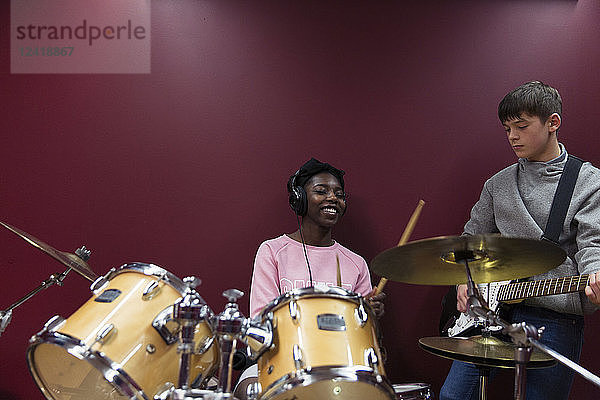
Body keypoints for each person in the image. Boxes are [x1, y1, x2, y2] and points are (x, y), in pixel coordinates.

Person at [439, 81, 600, 400]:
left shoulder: (588, 182)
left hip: (553, 312)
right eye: (507, 128)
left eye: (522, 126)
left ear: (553, 123)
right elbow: (469, 243)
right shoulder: (497, 184)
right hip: (491, 311)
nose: (512, 136)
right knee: (453, 396)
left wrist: (596, 278)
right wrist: (463, 281)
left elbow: (593, 246)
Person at [233, 157, 385, 399]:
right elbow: (260, 323)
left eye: (339, 193)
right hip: (281, 364)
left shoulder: (356, 263)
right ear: (299, 199)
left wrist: (370, 317)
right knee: (248, 391)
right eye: (321, 191)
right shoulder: (272, 251)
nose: (332, 198)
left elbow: (367, 341)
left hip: (341, 365)